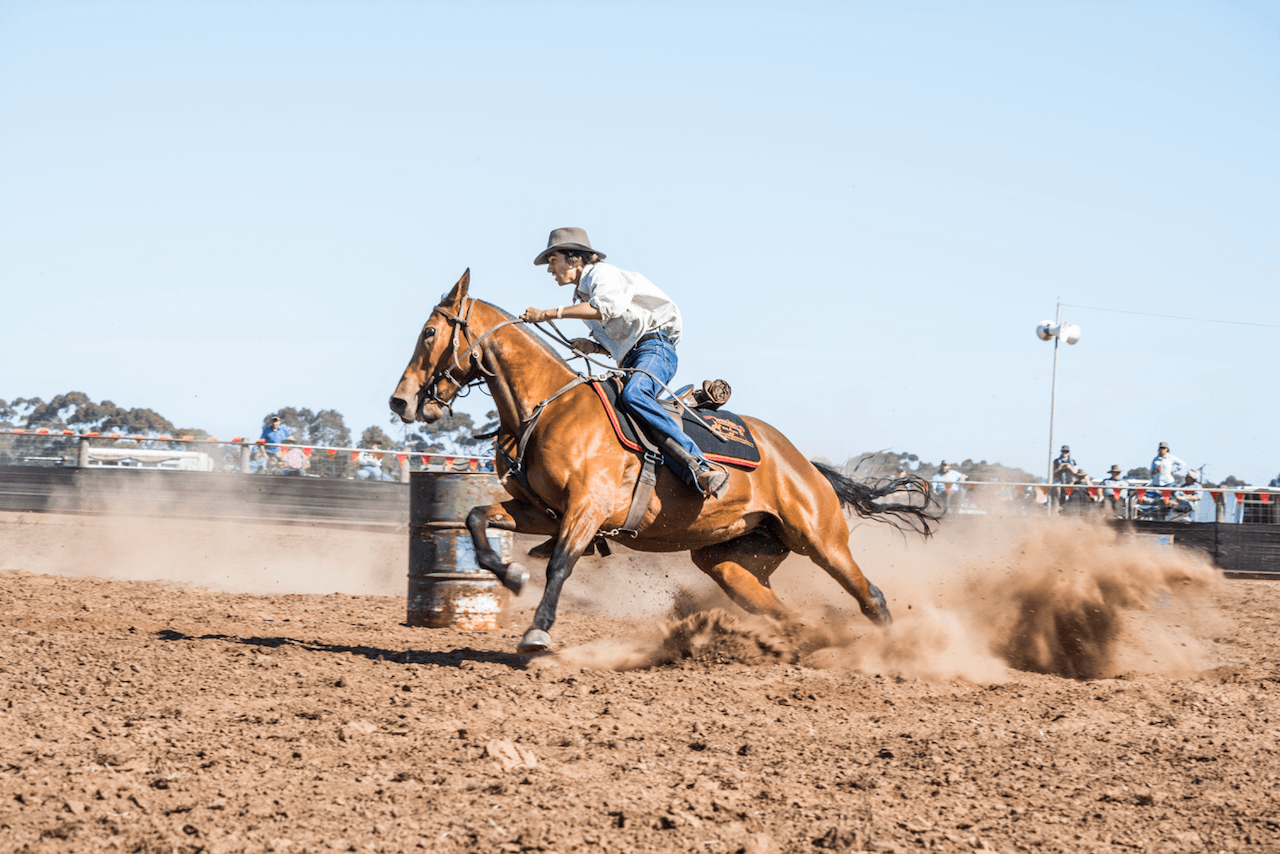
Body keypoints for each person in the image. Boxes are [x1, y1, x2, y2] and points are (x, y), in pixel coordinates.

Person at [520, 227, 727, 498]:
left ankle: (699, 465)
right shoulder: (581, 296)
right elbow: (619, 336)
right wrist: (595, 347)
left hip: (656, 348)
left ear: (574, 258)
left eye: (553, 260)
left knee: (635, 394)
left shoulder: (601, 274)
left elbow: (606, 308)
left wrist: (548, 314)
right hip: (633, 357)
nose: (550, 269)